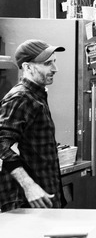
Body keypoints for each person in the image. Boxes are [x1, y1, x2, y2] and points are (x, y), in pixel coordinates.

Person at [0, 39, 66, 212]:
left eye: (54, 62)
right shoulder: (21, 98)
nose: (54, 69)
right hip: (25, 203)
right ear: (27, 68)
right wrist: (29, 186)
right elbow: (2, 144)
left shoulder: (37, 96)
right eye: (47, 63)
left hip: (43, 199)